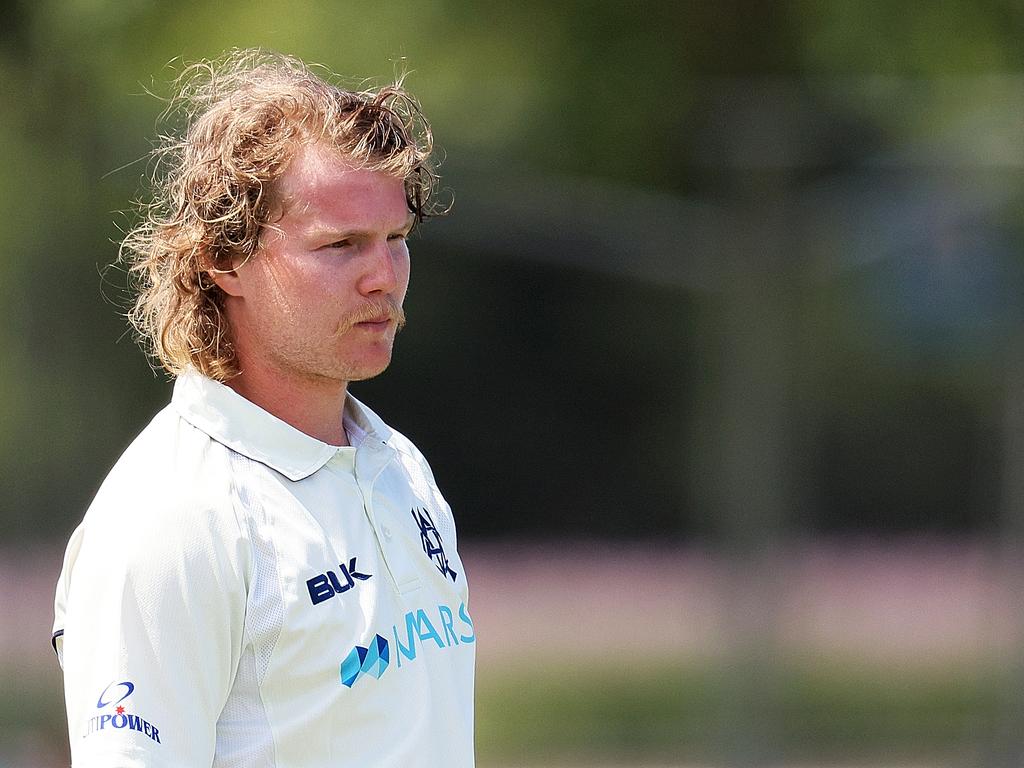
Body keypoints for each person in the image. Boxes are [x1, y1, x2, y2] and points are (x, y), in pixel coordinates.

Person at [51, 49, 475, 768]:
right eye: (340, 245)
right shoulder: (173, 518)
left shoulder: (400, 468)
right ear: (224, 258)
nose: (384, 277)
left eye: (396, 240)